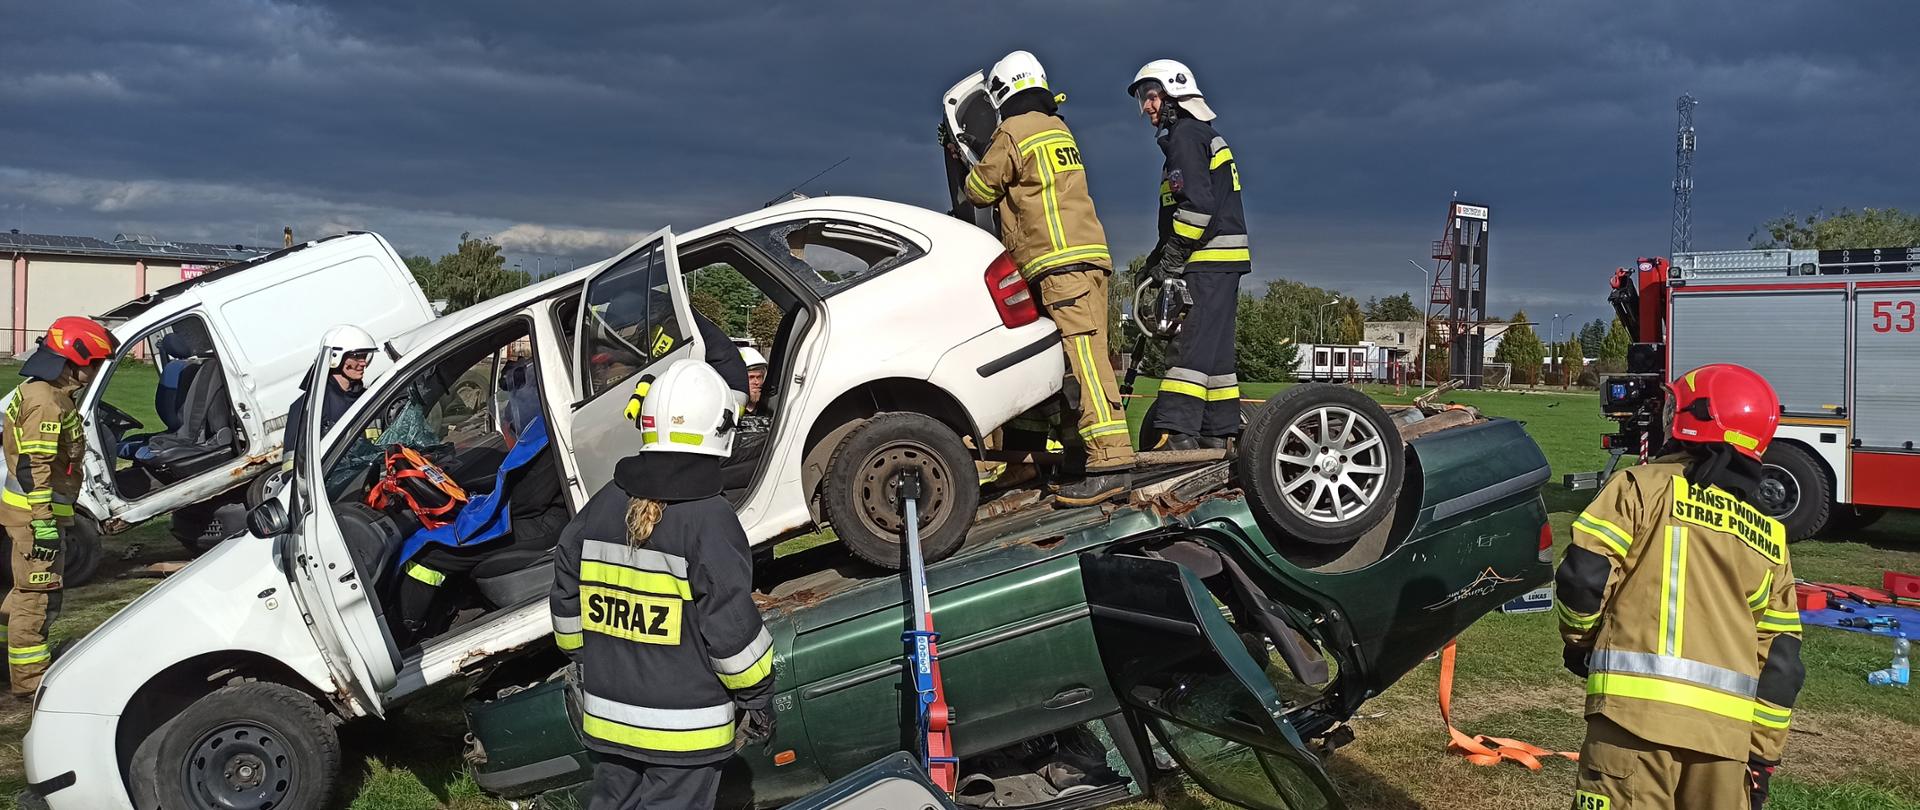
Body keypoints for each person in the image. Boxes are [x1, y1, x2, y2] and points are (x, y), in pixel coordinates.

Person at [1557, 363, 1803, 810]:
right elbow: (1782, 660)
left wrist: (1581, 642)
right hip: (1726, 748)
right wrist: (1761, 757)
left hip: (1631, 725)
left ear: (1693, 419)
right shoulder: (1771, 539)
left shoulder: (1640, 487)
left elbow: (1583, 575)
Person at [551, 359, 775, 810]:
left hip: (609, 717)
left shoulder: (601, 505)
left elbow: (567, 605)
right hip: (684, 728)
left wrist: (590, 653)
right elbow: (731, 632)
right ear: (720, 429)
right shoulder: (710, 520)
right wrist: (759, 696)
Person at [960, 49, 1135, 505]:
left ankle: (1111, 461)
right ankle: (1056, 455)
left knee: (1085, 362)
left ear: (1002, 94)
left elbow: (978, 190)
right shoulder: (1057, 128)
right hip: (1084, 258)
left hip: (1058, 265)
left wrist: (968, 155)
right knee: (1056, 363)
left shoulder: (1014, 132)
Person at [1127, 59, 1251, 451]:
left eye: (1150, 97)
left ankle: (1177, 434)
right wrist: (1158, 255)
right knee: (1215, 357)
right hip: (1222, 263)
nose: (1146, 107)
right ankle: (1217, 433)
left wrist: (1173, 257)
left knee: (1189, 347)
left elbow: (1197, 208)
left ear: (1173, 95)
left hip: (1206, 260)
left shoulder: (1185, 137)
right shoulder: (1202, 135)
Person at [1, 317, 114, 700]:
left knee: (27, 592)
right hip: (36, 519)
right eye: (94, 363)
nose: (94, 372)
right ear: (73, 359)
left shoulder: (41, 392)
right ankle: (29, 681)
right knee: (37, 598)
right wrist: (45, 523)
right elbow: (35, 468)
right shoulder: (46, 402)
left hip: (34, 515)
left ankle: (18, 652)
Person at [284, 330, 374, 457]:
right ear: (336, 357)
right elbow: (292, 463)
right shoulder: (309, 405)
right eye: (357, 356)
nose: (363, 362)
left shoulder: (369, 396)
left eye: (364, 356)